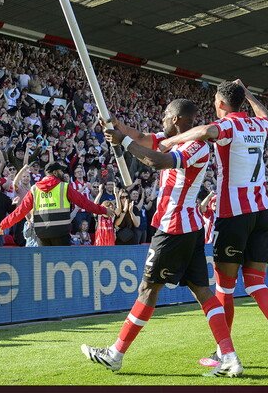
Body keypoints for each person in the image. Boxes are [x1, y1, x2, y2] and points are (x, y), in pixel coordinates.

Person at [80, 99, 243, 377]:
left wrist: (125, 143)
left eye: (166, 116)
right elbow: (143, 138)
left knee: (148, 290)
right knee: (202, 291)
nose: (163, 120)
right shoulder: (175, 138)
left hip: (174, 228)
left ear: (177, 119)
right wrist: (115, 126)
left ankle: (115, 354)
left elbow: (158, 161)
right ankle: (229, 356)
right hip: (188, 227)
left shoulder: (196, 145)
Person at [158, 79, 268, 379]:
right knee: (256, 284)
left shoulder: (228, 126)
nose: (213, 105)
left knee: (224, 287)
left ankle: (225, 353)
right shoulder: (257, 126)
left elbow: (208, 131)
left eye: (215, 101)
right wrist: (248, 92)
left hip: (233, 215)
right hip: (262, 214)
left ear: (222, 104)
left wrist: (172, 141)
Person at [0, 161, 113, 247]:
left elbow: (20, 211)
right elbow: (84, 203)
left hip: (42, 234)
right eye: (61, 171)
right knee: (62, 267)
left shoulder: (35, 189)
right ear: (56, 172)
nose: (63, 173)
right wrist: (103, 210)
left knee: (46, 268)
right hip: (61, 233)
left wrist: (4, 224)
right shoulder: (64, 187)